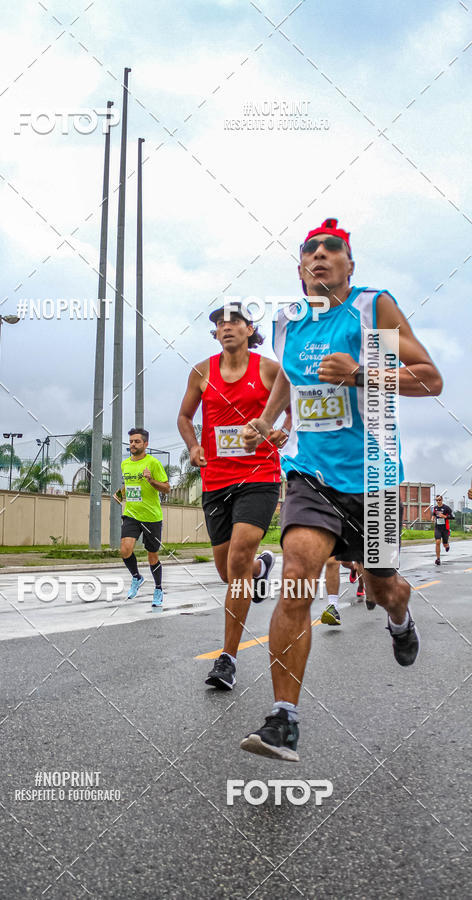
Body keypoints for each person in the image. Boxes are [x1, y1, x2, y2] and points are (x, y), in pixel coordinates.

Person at [240, 217, 443, 761]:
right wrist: (266, 420)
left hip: (374, 475)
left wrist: (360, 374)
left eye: (334, 249)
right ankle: (284, 719)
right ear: (300, 266)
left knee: (382, 586)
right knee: (298, 571)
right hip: (314, 474)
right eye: (311, 250)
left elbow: (429, 377)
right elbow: (288, 375)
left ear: (350, 264)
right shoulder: (288, 321)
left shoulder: (372, 308)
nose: (321, 256)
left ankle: (399, 620)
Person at [177, 300, 290, 690]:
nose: (226, 327)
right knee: (229, 572)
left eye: (234, 321)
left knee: (239, 554)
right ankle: (261, 570)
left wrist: (284, 431)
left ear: (248, 329)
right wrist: (193, 447)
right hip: (216, 481)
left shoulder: (268, 369)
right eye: (220, 323)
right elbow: (184, 417)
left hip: (260, 475)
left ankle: (227, 658)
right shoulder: (201, 371)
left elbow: (294, 406)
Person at [115, 428, 170, 607]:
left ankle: (158, 589)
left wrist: (151, 481)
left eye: (137, 441)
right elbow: (129, 484)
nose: (133, 444)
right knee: (125, 549)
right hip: (131, 514)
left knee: (152, 556)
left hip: (151, 516)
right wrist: (120, 493)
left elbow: (167, 487)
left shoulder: (153, 463)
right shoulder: (125, 464)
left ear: (145, 444)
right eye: (131, 441)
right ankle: (136, 577)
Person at [431, 494, 453, 566]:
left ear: (442, 500)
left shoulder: (446, 508)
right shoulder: (435, 508)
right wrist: (433, 518)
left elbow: (452, 517)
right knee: (437, 542)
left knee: (445, 544)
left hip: (445, 528)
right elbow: (434, 514)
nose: (438, 501)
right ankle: (438, 559)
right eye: (437, 500)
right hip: (438, 528)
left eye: (439, 500)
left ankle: (447, 546)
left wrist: (445, 516)